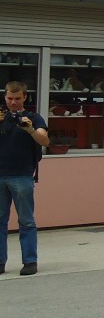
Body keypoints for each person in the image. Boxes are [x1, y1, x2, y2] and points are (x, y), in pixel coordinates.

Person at [1, 80, 49, 276]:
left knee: (26, 221)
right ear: (5, 97)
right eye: (10, 98)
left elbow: (45, 141)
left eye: (17, 99)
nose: (13, 102)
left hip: (22, 175)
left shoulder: (33, 117)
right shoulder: (1, 117)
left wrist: (29, 129)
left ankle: (30, 261)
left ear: (25, 97)